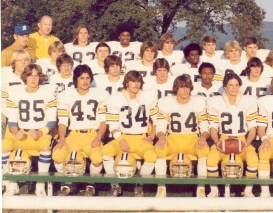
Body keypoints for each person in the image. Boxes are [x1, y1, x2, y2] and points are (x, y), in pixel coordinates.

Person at [52, 65, 108, 197]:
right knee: (58, 155)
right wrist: (62, 139)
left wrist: (98, 138)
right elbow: (63, 121)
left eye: (88, 78)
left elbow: (103, 122)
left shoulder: (100, 94)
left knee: (97, 158)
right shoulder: (66, 95)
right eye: (81, 78)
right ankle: (68, 183)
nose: (85, 81)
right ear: (76, 79)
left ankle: (91, 183)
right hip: (74, 135)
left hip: (92, 134)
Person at [2, 64, 57, 196]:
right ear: (25, 77)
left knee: (45, 148)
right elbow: (12, 120)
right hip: (22, 133)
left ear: (40, 77)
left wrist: (40, 132)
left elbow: (52, 121)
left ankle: (40, 183)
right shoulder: (15, 92)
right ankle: (12, 182)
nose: (33, 78)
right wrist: (16, 131)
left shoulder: (48, 91)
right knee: (3, 146)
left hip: (41, 133)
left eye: (36, 75)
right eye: (30, 75)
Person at [102, 71, 158, 197]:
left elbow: (156, 119)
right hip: (124, 136)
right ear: (127, 83)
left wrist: (152, 134)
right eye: (133, 81)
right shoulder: (115, 98)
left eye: (138, 81)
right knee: (106, 151)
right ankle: (115, 185)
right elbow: (113, 125)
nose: (136, 84)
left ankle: (139, 185)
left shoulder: (148, 97)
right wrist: (120, 139)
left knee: (151, 156)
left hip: (141, 138)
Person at [154, 74, 210, 197]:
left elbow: (205, 127)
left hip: (192, 138)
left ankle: (201, 188)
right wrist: (162, 136)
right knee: (159, 148)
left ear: (191, 88)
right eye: (181, 87)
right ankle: (161, 187)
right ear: (176, 88)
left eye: (187, 87)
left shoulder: (198, 102)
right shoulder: (167, 102)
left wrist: (203, 137)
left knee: (204, 149)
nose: (185, 90)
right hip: (173, 138)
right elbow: (160, 127)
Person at [206, 73, 258, 198]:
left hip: (241, 139)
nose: (234, 88)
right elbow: (213, 127)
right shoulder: (215, 102)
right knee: (212, 157)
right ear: (225, 86)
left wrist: (247, 143)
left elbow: (252, 128)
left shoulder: (248, 101)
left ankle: (248, 190)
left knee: (252, 158)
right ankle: (214, 190)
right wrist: (217, 141)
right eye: (230, 85)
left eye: (236, 85)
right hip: (223, 139)